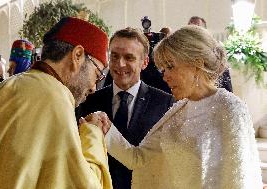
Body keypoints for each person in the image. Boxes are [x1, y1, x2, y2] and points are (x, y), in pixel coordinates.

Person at [84, 25, 263, 188]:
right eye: (163, 69)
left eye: (170, 67)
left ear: (197, 64)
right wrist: (107, 129)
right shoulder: (177, 111)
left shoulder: (231, 109)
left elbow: (241, 180)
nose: (165, 76)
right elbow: (138, 159)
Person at [0, 17, 112, 189]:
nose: (94, 87)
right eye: (97, 74)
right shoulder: (55, 100)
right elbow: (83, 185)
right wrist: (93, 134)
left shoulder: (2, 88)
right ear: (78, 55)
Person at [76, 27, 174, 189]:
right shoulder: (89, 101)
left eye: (129, 58)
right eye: (114, 56)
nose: (120, 64)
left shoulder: (164, 104)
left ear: (144, 62)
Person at [188, 16, 233, 92]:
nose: (194, 30)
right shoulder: (183, 53)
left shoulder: (216, 53)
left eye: (198, 27)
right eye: (191, 27)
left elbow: (226, 87)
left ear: (205, 31)